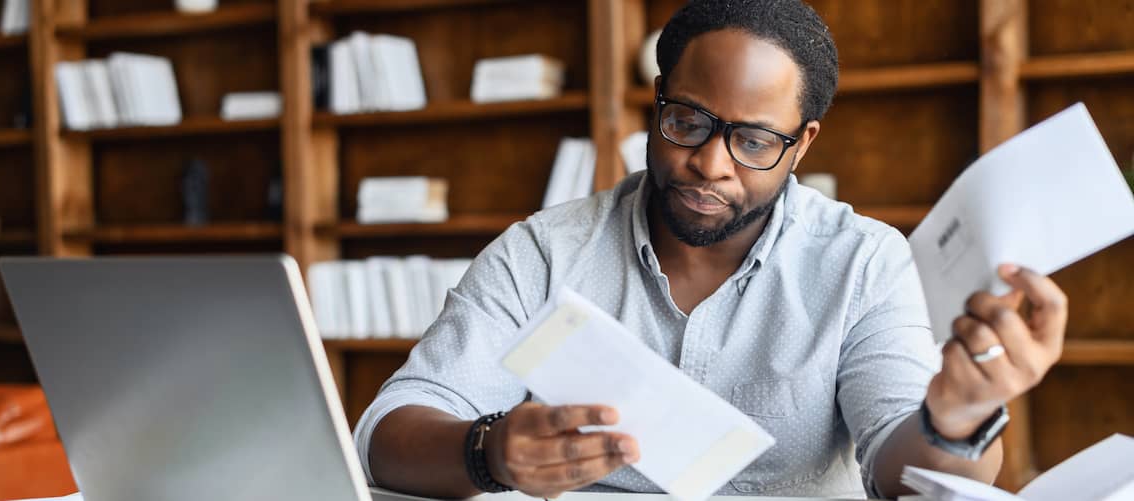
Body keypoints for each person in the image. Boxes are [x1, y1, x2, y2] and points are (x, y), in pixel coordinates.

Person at [354, 1, 1068, 498]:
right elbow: (387, 433)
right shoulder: (543, 251)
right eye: (688, 122)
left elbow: (902, 476)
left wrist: (957, 417)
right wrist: (489, 450)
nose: (711, 164)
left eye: (754, 140)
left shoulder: (862, 263)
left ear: (803, 143)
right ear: (658, 101)